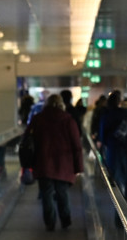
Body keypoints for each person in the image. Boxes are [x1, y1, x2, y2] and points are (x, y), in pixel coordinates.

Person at [23, 94, 84, 231]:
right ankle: (65, 220)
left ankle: (50, 222)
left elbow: (27, 138)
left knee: (46, 194)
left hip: (43, 162)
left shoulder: (38, 119)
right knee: (62, 193)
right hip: (64, 163)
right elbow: (76, 145)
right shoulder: (68, 120)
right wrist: (78, 167)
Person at [99, 91, 127, 203]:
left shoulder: (106, 116)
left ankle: (118, 205)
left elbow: (102, 136)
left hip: (112, 149)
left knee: (115, 179)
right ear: (119, 102)